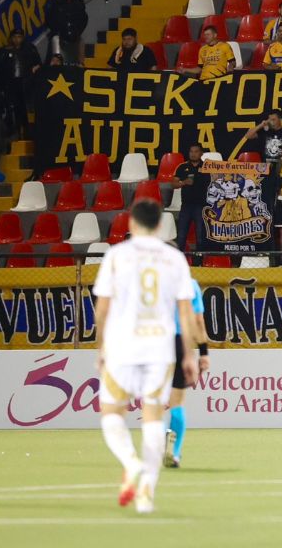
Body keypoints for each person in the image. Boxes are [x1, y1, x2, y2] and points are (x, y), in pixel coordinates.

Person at [92, 199, 198, 514]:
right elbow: (186, 312)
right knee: (153, 415)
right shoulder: (175, 259)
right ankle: (148, 490)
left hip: (122, 344)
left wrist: (100, 346)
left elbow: (102, 309)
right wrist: (189, 355)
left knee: (111, 413)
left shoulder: (116, 256)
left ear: (132, 224)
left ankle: (130, 462)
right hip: (160, 346)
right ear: (161, 225)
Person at [162, 279, 207, 470]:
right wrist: (204, 352)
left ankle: (157, 442)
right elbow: (198, 320)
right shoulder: (190, 284)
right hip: (179, 343)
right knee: (177, 402)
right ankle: (175, 451)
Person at [0, 27, 42, 133]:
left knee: (25, 109)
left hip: (26, 84)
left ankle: (27, 130)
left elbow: (38, 63)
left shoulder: (29, 49)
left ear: (23, 38)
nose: (17, 39)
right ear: (11, 38)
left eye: (19, 37)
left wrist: (35, 69)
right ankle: (14, 131)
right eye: (15, 37)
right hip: (9, 85)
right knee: (12, 110)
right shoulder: (4, 51)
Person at [45, 0, 88, 64]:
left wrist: (77, 31)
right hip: (59, 37)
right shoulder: (56, 2)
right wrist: (58, 31)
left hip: (75, 37)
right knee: (57, 63)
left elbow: (84, 19)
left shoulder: (79, 3)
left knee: (78, 63)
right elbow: (49, 19)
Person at [172, 143, 206, 252]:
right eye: (191, 151)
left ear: (201, 153)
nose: (193, 154)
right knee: (181, 236)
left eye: (196, 151)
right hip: (186, 206)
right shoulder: (182, 167)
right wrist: (184, 182)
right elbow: (173, 184)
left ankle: (199, 263)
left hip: (201, 206)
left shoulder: (207, 167)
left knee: (200, 237)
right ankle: (179, 263)